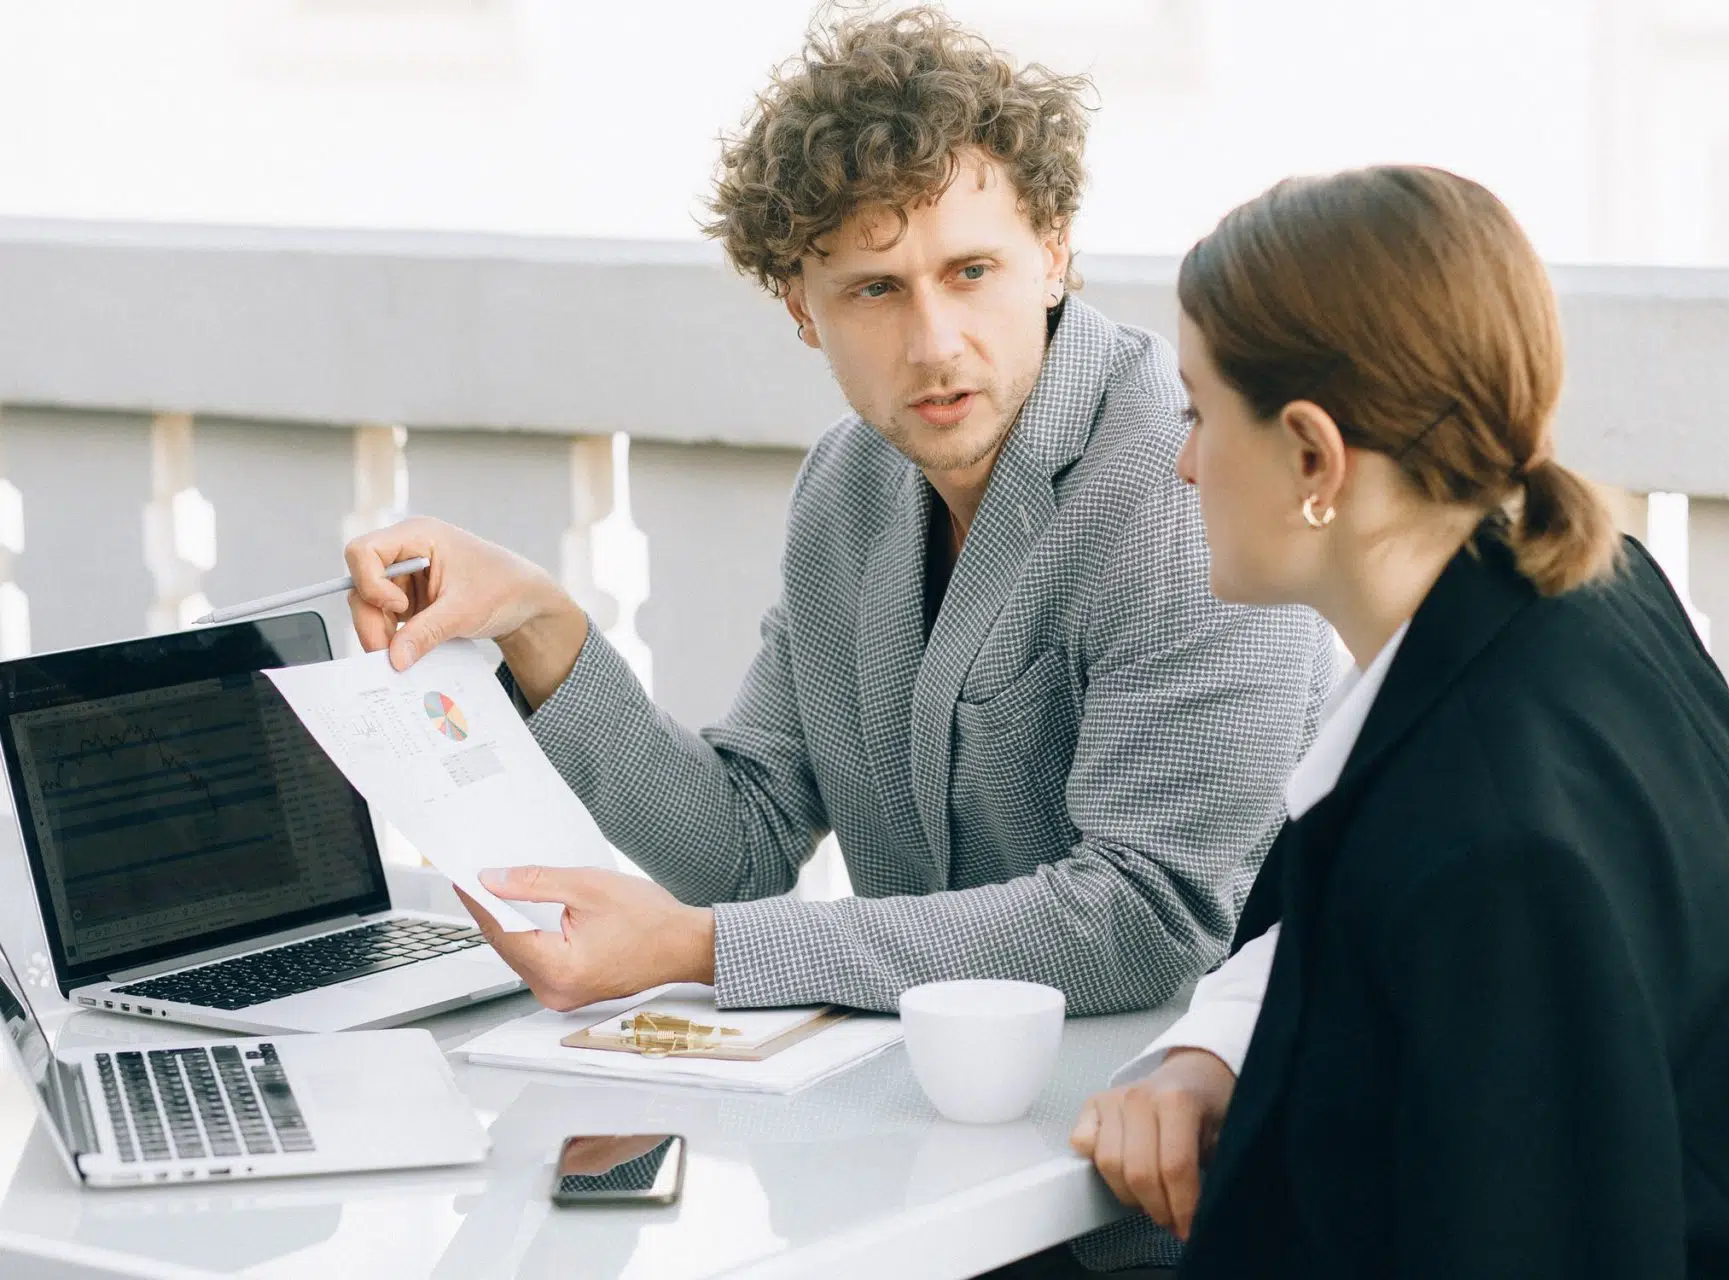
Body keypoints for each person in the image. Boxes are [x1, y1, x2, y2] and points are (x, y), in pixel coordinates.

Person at [342, 7, 1334, 1016]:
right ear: (802, 308)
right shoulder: (848, 488)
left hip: (1185, 1100)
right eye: (874, 290)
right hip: (923, 1099)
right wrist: (538, 621)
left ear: (1054, 254)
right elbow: (739, 841)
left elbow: (1148, 916)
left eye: (971, 271)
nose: (936, 340)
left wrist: (702, 949)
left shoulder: (1184, 483)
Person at [1070, 164, 1729, 1275]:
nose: (1182, 464)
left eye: (1198, 410)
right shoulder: (1583, 599)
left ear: (1315, 457)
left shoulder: (1486, 833)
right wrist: (1211, 1049)